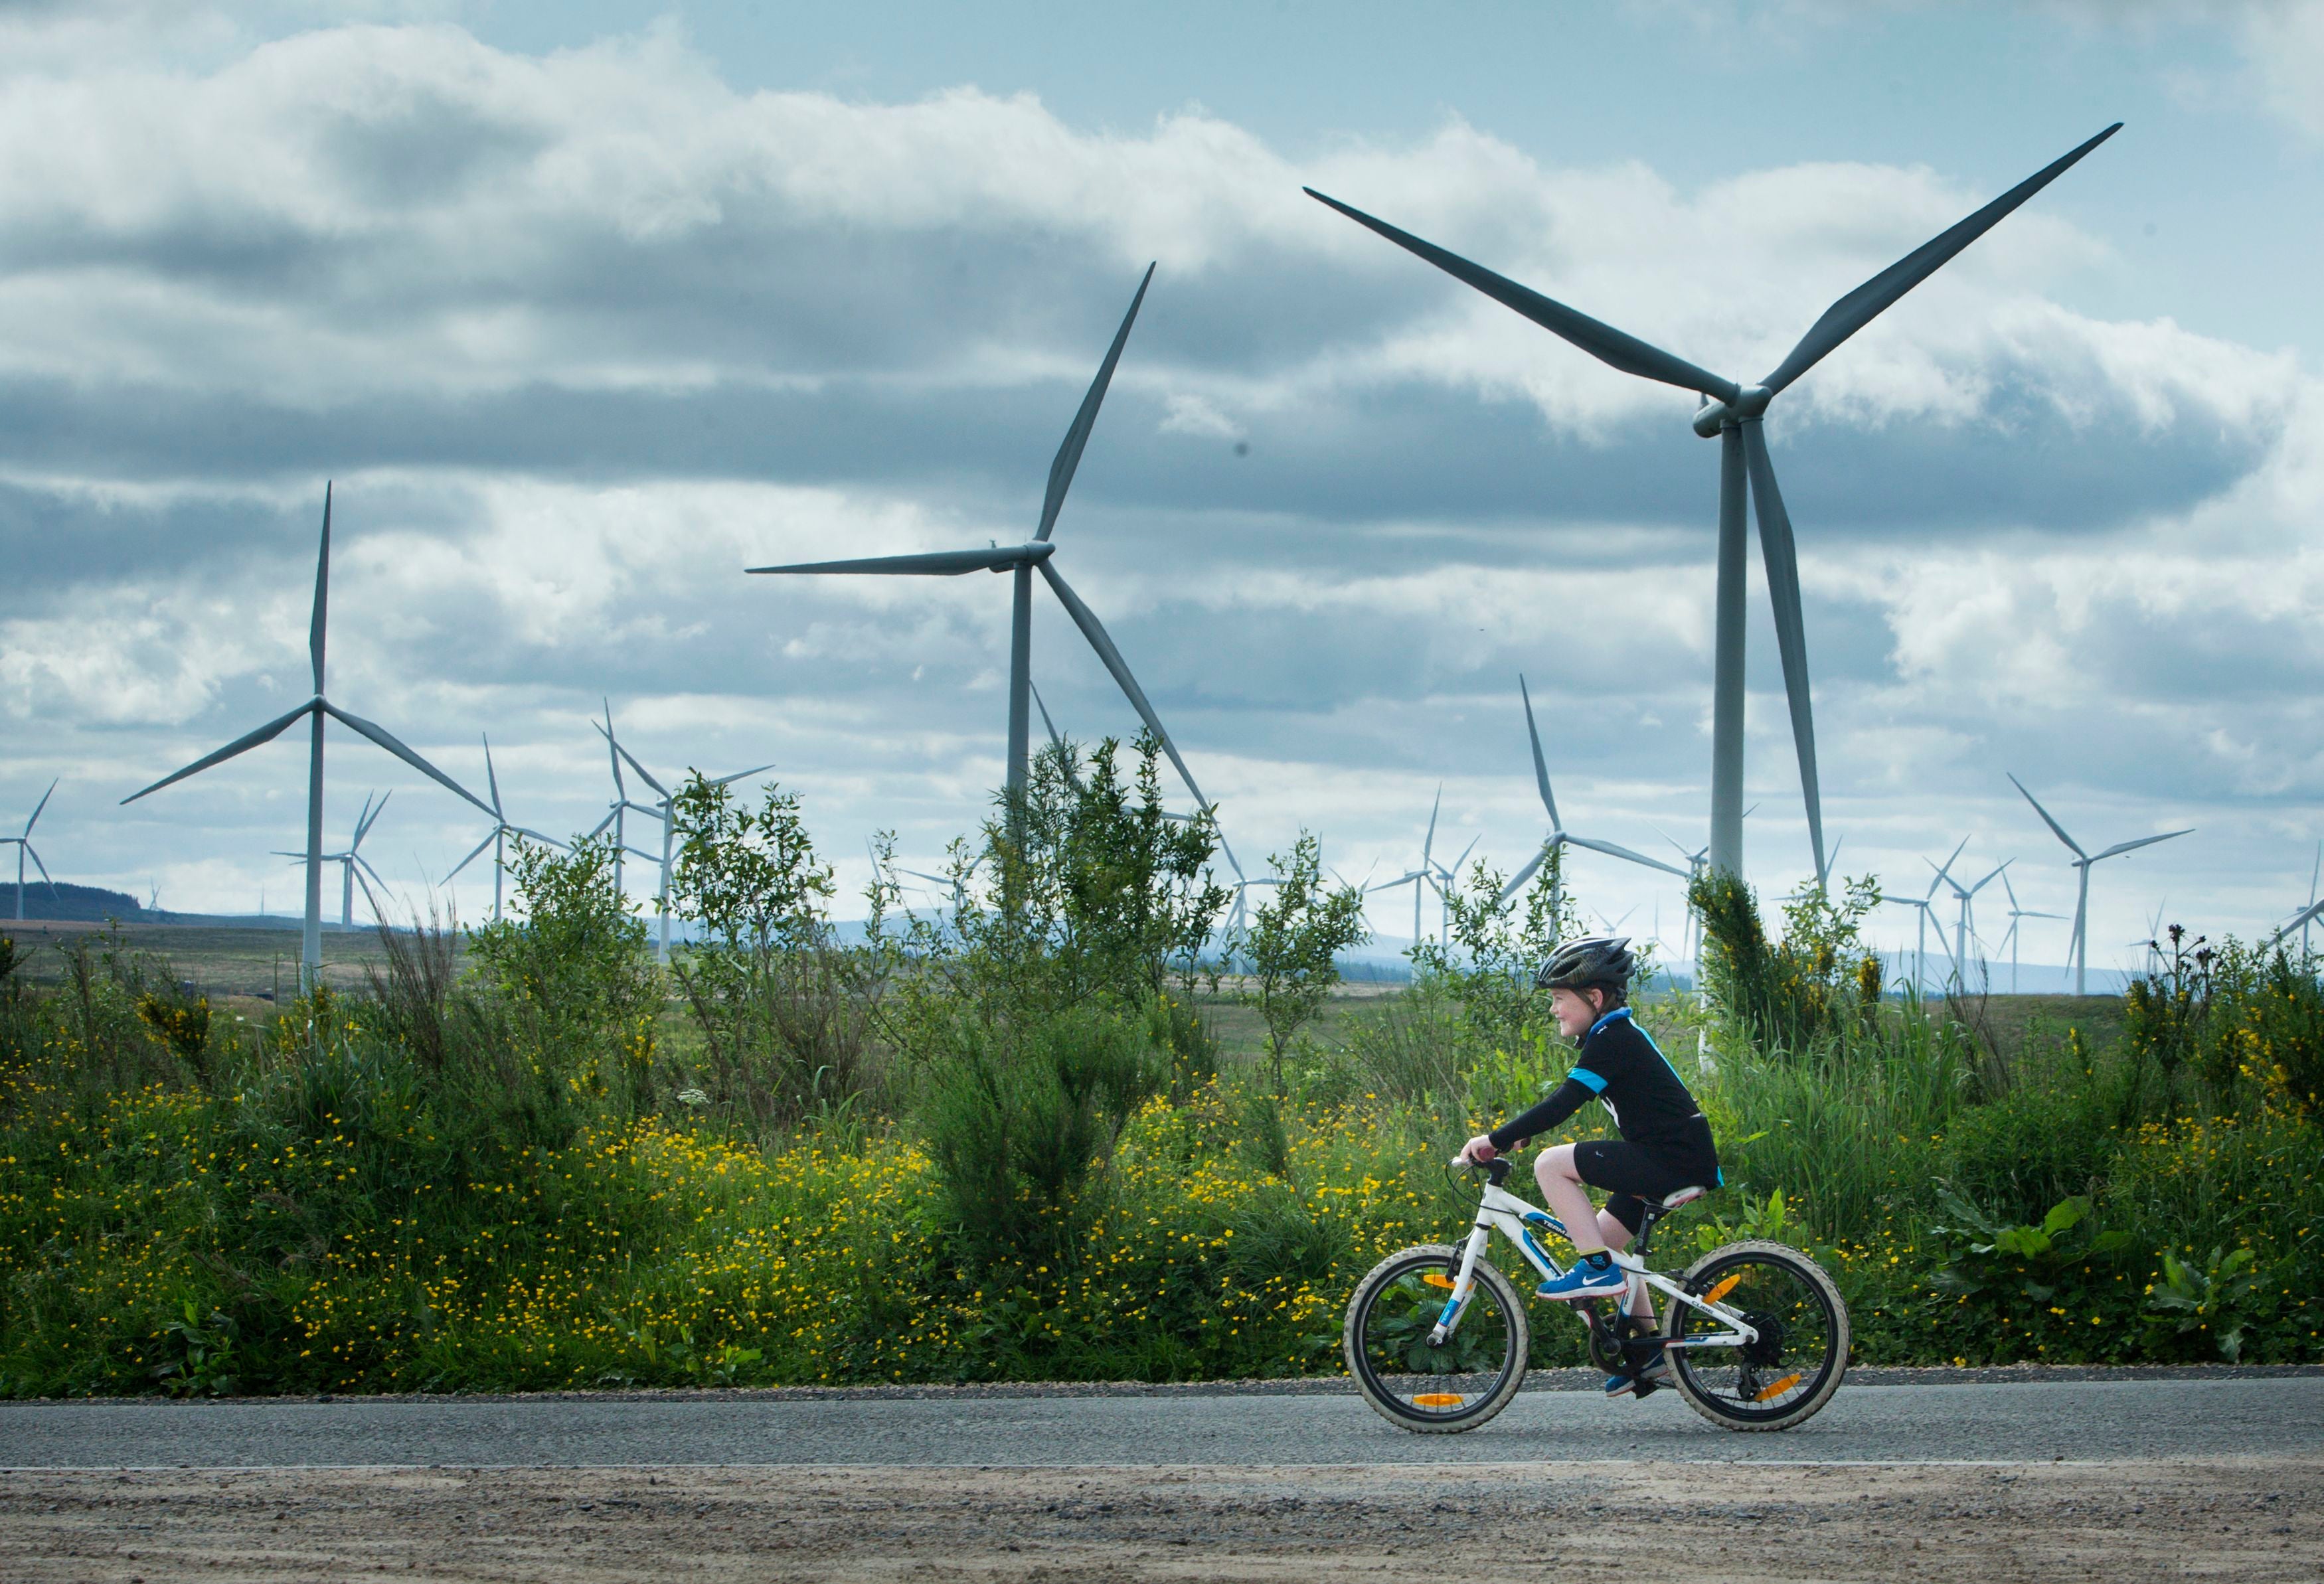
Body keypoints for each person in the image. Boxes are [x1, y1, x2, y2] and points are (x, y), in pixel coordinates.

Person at [1457, 934, 1721, 1398]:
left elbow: (1565, 1102)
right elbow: (1566, 1103)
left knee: (1551, 1166)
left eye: (1560, 998)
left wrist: (1494, 1140)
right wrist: (1521, 1130)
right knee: (1606, 1241)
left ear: (1594, 998)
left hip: (1670, 1159)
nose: (1554, 1009)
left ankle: (1597, 1269)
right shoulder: (1612, 1036)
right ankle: (1651, 1351)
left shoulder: (1613, 1038)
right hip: (1671, 1157)